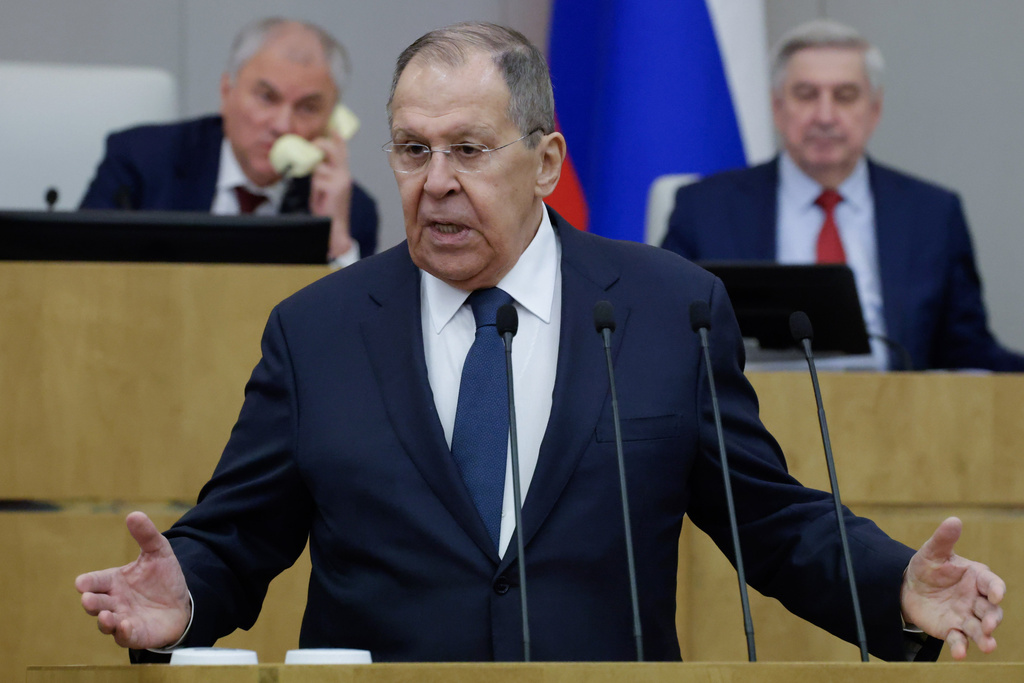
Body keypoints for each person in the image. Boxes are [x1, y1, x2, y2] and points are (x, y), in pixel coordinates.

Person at [76, 22, 1004, 663]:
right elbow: (239, 534)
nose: (435, 183)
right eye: (412, 149)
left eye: (469, 151)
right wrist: (182, 596)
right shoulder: (317, 329)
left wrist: (895, 588)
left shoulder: (665, 307)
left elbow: (769, 517)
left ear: (548, 163)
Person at [662, 19, 1024, 372]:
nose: (825, 115)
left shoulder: (932, 214)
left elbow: (967, 353)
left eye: (845, 96)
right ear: (777, 107)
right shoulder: (705, 209)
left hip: (900, 421)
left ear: (874, 109)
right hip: (753, 420)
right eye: (806, 95)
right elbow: (668, 335)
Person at [79, 17, 378, 267]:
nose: (283, 125)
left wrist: (335, 239)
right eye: (266, 97)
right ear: (226, 92)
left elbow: (350, 331)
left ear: (332, 120)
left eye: (308, 108)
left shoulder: (351, 212)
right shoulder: (139, 161)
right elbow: (76, 274)